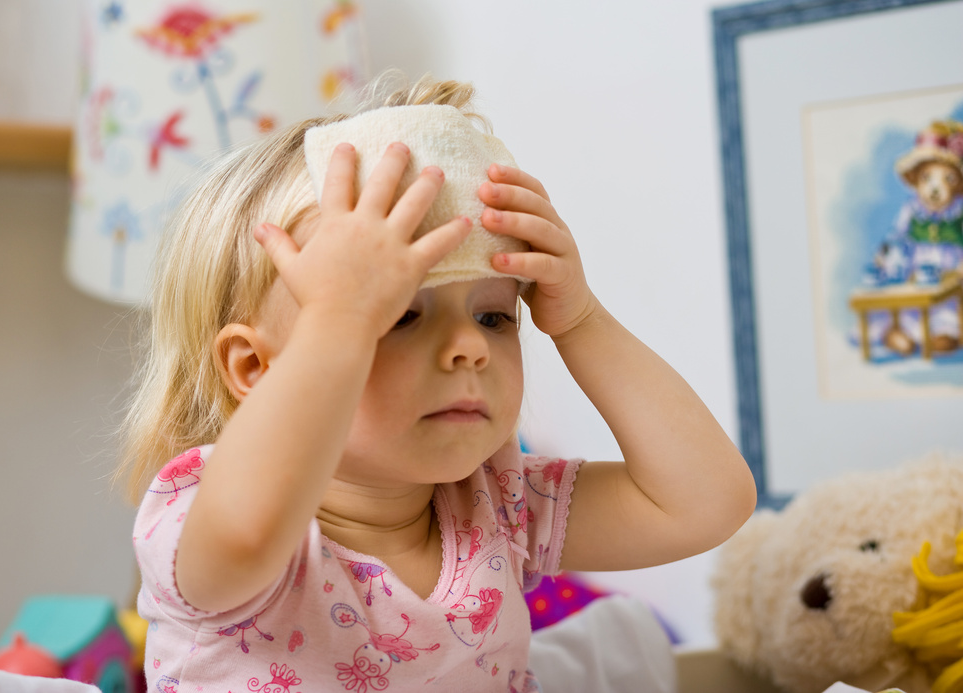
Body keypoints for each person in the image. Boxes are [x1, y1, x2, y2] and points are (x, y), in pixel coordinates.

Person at [119, 76, 756, 693]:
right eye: (397, 315)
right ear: (256, 370)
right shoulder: (200, 511)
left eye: (493, 317)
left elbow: (706, 502)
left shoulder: (497, 505)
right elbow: (247, 533)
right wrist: (341, 318)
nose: (470, 347)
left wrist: (582, 319)